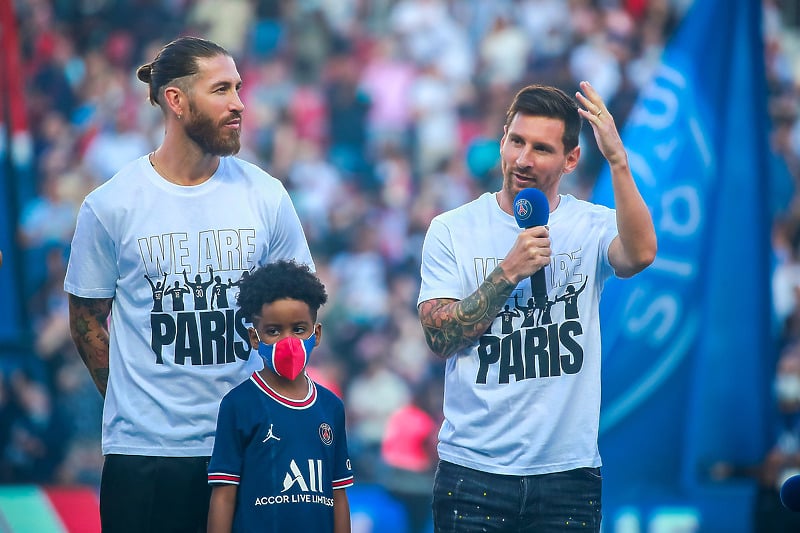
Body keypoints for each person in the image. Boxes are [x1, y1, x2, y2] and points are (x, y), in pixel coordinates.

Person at [64, 36, 314, 532]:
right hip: (144, 455)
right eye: (222, 89)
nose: (239, 103)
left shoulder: (265, 196)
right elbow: (86, 320)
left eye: (239, 88)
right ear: (176, 101)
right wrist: (134, 401)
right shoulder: (111, 205)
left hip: (249, 445)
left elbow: (301, 312)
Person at [417, 82, 657, 532]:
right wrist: (507, 273)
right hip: (473, 474)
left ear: (570, 159)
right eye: (516, 141)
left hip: (568, 475)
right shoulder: (452, 229)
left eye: (542, 148)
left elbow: (641, 253)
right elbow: (439, 337)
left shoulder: (591, 225)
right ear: (503, 138)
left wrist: (618, 161)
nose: (523, 159)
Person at [207, 259, 353, 532]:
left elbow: (339, 495)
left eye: (299, 329)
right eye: (273, 331)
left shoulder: (331, 406)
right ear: (254, 337)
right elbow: (224, 495)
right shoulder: (238, 404)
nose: (288, 342)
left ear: (316, 333)